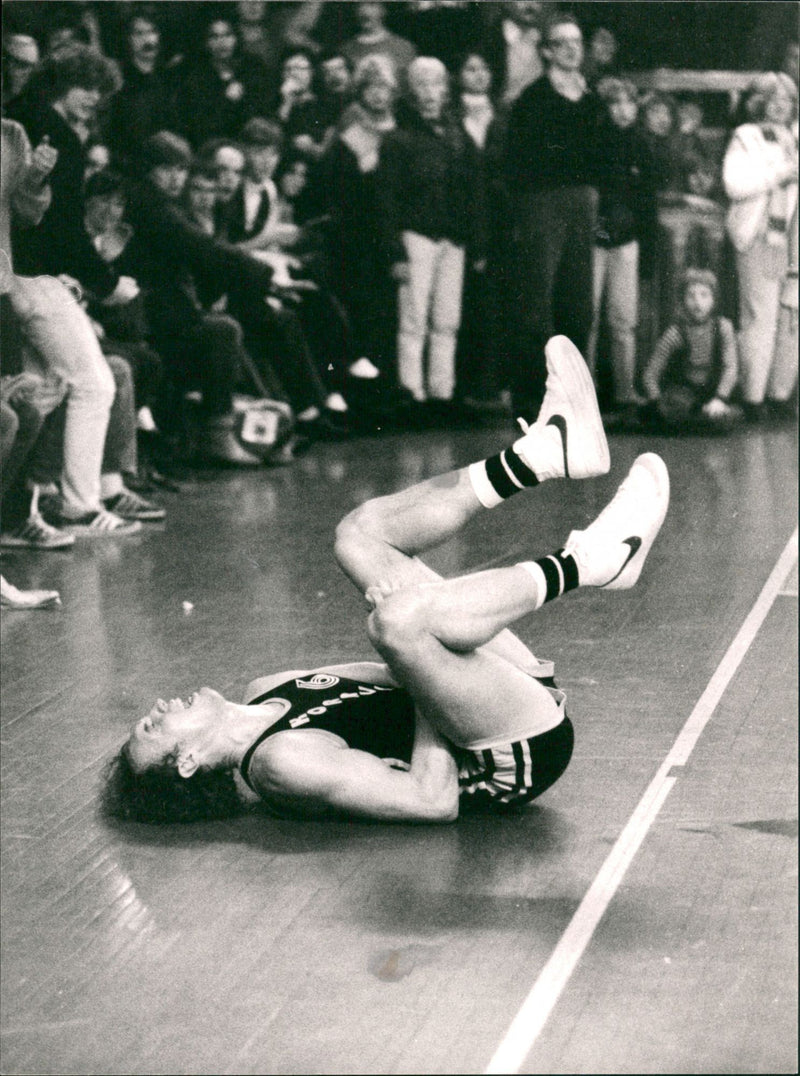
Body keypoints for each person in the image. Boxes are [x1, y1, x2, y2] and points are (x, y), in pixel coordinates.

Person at [106, 336, 670, 825]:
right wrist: (414, 643)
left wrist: (419, 644)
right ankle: (588, 562)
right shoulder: (279, 763)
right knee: (399, 623)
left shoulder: (264, 690)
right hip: (508, 753)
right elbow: (431, 801)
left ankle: (538, 454)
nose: (156, 708)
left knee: (359, 535)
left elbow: (407, 679)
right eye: (153, 730)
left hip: (492, 699)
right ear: (186, 762)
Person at [504, 12, 602, 418]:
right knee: (536, 306)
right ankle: (531, 403)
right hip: (541, 203)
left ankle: (571, 402)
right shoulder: (532, 99)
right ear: (546, 51)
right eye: (562, 42)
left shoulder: (592, 98)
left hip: (582, 204)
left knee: (578, 306)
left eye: (576, 41)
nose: (571, 49)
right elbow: (516, 162)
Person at [722, 72, 798, 423]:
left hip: (794, 241)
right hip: (760, 237)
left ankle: (780, 394)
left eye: (788, 98)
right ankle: (753, 398)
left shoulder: (796, 136)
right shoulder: (747, 136)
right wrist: (779, 175)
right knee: (761, 318)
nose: (781, 104)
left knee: (792, 321)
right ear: (761, 102)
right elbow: (734, 184)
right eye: (774, 97)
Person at [588, 77, 658, 416]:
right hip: (595, 238)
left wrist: (645, 251)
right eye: (616, 103)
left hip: (627, 241)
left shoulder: (643, 144)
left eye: (629, 103)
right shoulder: (594, 141)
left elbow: (647, 204)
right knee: (588, 318)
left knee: (623, 320)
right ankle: (583, 395)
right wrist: (600, 234)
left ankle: (625, 392)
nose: (623, 110)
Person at [640, 268, 740, 432]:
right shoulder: (675, 333)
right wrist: (657, 402)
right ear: (683, 300)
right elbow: (650, 375)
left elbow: (731, 368)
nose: (698, 302)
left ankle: (704, 416)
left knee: (728, 416)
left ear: (714, 299)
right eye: (691, 295)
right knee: (676, 405)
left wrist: (720, 398)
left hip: (712, 394)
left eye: (704, 295)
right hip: (683, 396)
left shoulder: (723, 328)